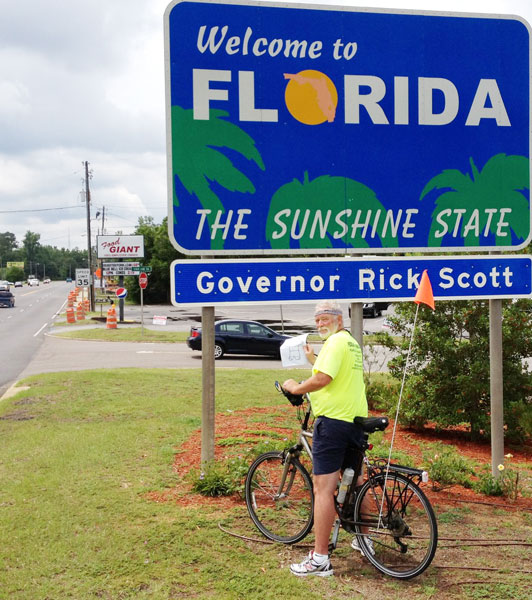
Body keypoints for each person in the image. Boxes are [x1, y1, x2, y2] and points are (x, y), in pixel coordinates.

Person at [282, 300, 368, 577]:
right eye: (317, 320)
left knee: (323, 489)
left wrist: (296, 387)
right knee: (357, 481)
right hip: (355, 421)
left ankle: (320, 558)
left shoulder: (334, 343)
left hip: (333, 423)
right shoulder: (349, 343)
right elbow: (334, 372)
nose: (320, 323)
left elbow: (323, 379)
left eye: (325, 318)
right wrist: (313, 360)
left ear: (339, 319)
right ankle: (365, 540)